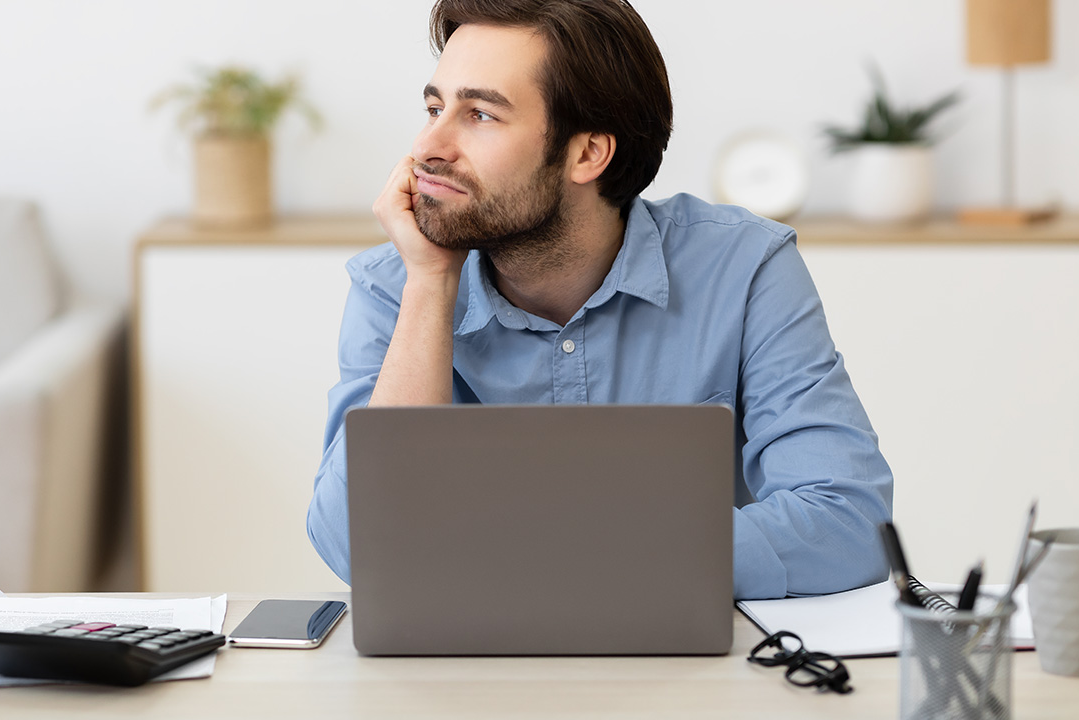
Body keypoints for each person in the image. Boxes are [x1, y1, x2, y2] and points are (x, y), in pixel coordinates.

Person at [307, 0, 892, 599]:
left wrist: (564, 557)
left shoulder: (744, 268)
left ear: (587, 153)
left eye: (480, 114)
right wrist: (430, 286)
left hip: (694, 675)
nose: (427, 148)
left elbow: (849, 523)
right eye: (434, 108)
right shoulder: (398, 283)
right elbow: (356, 544)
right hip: (464, 677)